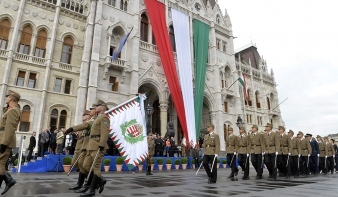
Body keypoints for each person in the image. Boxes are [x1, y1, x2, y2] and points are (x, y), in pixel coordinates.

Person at [65, 100, 109, 196]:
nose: (95, 107)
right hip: (91, 146)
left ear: (103, 108)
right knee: (85, 165)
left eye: (98, 106)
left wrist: (101, 144)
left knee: (95, 167)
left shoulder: (104, 118)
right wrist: (72, 129)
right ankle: (99, 181)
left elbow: (105, 133)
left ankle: (91, 189)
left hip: (97, 145)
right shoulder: (96, 119)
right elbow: (85, 125)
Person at [0, 90, 21, 195]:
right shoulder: (10, 109)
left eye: (7, 96)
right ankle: (8, 180)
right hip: (3, 138)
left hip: (5, 140)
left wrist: (3, 143)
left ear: (11, 98)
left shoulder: (13, 111)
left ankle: (9, 180)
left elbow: (10, 128)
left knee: (1, 164)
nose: (6, 98)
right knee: (0, 164)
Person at [69, 110, 91, 190]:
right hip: (79, 144)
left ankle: (81, 183)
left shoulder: (89, 124)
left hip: (84, 144)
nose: (83, 116)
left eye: (84, 115)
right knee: (74, 163)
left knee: (82, 165)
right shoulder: (82, 124)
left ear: (88, 116)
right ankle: (92, 180)